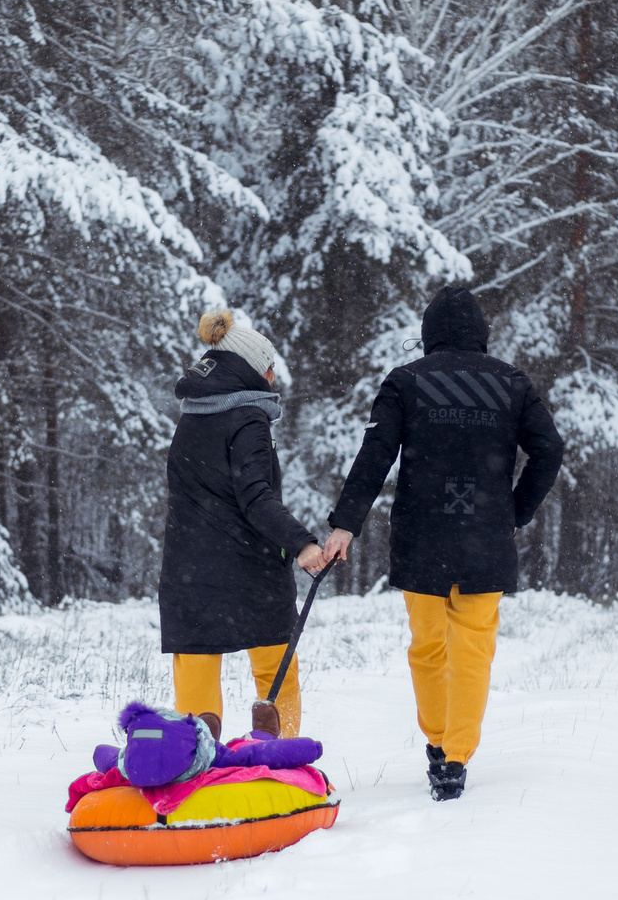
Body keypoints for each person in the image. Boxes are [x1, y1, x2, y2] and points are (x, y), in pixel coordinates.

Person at [317, 286, 564, 799]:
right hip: (485, 539)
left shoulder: (406, 382)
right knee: (473, 650)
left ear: (428, 334)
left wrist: (345, 525)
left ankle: (435, 743)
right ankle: (455, 759)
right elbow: (550, 451)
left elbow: (374, 456)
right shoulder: (511, 383)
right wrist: (515, 511)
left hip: (422, 537)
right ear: (481, 332)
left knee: (428, 648)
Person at [160, 307, 326, 740]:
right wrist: (304, 543)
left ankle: (194, 768)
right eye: (269, 368)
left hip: (187, 572)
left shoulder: (192, 416)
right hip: (250, 569)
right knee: (275, 672)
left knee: (196, 669)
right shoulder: (248, 419)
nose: (273, 377)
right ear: (250, 371)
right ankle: (282, 759)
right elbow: (255, 496)